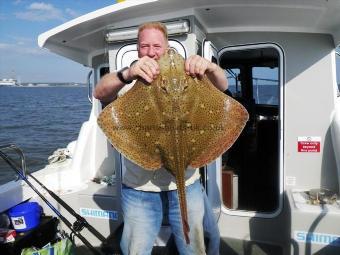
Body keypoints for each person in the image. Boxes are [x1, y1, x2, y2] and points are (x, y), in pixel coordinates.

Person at [94, 21, 227, 255]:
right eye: (144, 46)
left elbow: (222, 87)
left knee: (195, 247)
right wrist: (128, 73)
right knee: (136, 250)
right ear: (137, 49)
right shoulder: (129, 81)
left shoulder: (192, 76)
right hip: (139, 188)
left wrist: (210, 67)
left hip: (186, 183)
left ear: (166, 47)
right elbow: (100, 91)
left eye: (157, 45)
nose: (151, 51)